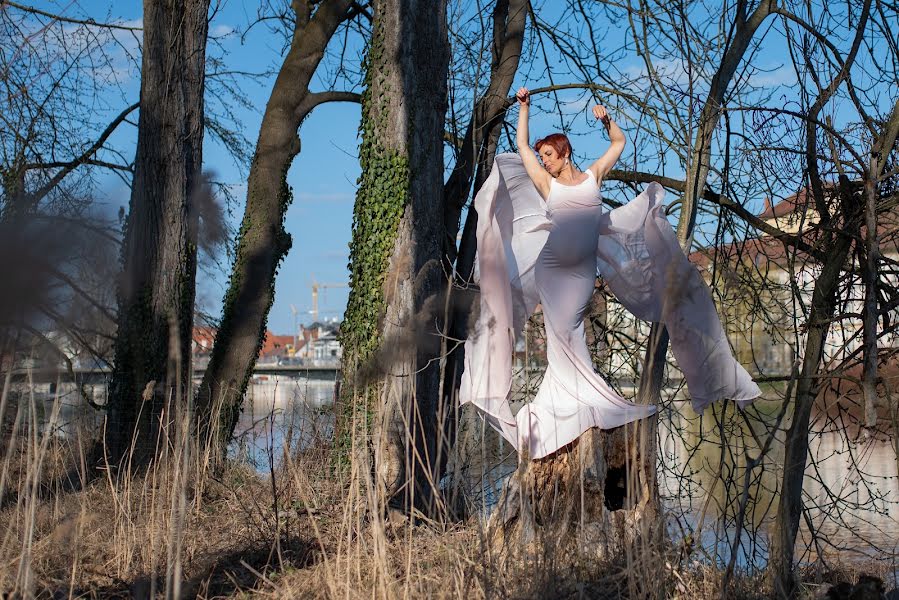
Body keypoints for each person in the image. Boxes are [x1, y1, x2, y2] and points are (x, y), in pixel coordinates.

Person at [458, 87, 760, 460]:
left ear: (565, 151)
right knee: (562, 339)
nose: (544, 161)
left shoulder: (591, 177)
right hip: (552, 272)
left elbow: (619, 142)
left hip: (581, 275)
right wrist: (524, 108)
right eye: (542, 158)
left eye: (549, 155)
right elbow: (521, 146)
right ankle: (572, 409)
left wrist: (606, 120)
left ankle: (575, 407)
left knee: (572, 335)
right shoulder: (545, 183)